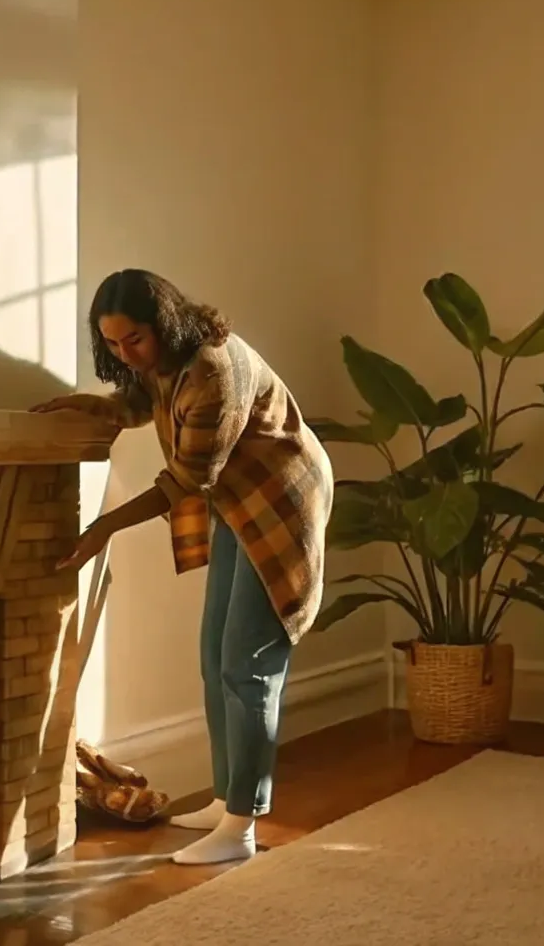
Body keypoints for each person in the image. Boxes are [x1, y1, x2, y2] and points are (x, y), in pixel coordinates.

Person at [35, 269, 334, 866]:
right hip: (236, 504)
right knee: (213, 655)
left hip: (279, 506)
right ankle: (227, 797)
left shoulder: (215, 370)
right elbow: (146, 401)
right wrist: (87, 405)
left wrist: (102, 529)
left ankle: (242, 824)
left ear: (163, 325)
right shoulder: (169, 363)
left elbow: (187, 480)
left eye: (134, 341)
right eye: (113, 344)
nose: (126, 354)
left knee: (246, 667)